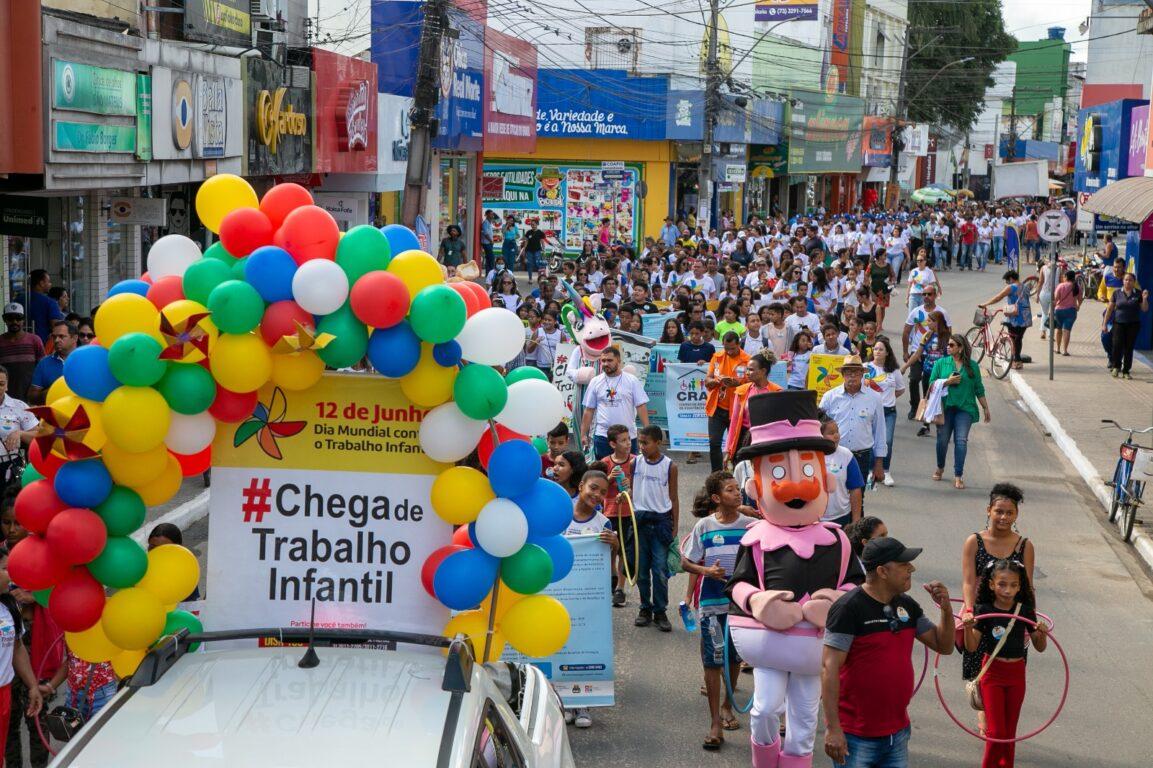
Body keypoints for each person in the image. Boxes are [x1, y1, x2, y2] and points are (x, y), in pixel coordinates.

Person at [821, 538, 955, 768]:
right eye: (904, 564)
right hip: (856, 736)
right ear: (882, 571)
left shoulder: (907, 605)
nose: (911, 568)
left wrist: (946, 609)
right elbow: (828, 668)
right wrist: (833, 729)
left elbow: (943, 645)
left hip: (897, 733)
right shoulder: (848, 608)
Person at [682, 471, 758, 751]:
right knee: (712, 661)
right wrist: (706, 571)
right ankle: (715, 721)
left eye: (738, 489)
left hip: (741, 606)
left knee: (734, 657)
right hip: (712, 605)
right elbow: (686, 563)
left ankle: (728, 705)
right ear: (716, 498)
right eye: (730, 490)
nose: (738, 493)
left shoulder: (752, 526)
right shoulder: (704, 526)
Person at [960, 483, 1034, 734]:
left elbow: (1028, 587)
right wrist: (971, 610)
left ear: (1016, 516)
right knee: (981, 665)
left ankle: (996, 719)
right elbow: (969, 580)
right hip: (984, 614)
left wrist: (1030, 620)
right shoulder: (975, 541)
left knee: (1007, 664)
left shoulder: (1024, 545)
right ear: (988, 510)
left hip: (1013, 617)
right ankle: (986, 714)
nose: (1003, 517)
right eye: (998, 511)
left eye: (1009, 513)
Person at [962, 558, 1047, 768]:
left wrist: (1042, 633)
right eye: (1001, 584)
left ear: (1020, 586)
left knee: (1009, 733)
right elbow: (972, 646)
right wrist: (967, 627)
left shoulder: (1024, 610)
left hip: (1017, 673)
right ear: (991, 584)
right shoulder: (984, 610)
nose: (1007, 590)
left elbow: (1039, 646)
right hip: (993, 672)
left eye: (1013, 585)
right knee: (997, 732)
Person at [563, 470, 619, 729]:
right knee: (560, 645)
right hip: (559, 592)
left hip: (588, 595)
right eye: (593, 488)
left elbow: (610, 562)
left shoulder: (603, 523)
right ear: (581, 485)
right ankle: (563, 701)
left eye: (602, 493)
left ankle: (582, 703)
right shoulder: (560, 516)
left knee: (584, 645)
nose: (596, 495)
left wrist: (614, 546)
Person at [628, 425, 678, 631]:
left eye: (645, 442)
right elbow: (632, 490)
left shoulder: (669, 466)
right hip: (639, 522)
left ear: (659, 442)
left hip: (661, 523)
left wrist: (674, 526)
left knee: (659, 569)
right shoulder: (635, 463)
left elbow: (673, 497)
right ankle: (644, 608)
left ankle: (660, 611)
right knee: (640, 570)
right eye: (640, 442)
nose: (641, 446)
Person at [928, 334, 990, 490]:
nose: (948, 347)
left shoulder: (972, 366)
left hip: (965, 409)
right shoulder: (941, 363)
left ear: (961, 348)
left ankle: (958, 475)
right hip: (945, 408)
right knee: (942, 440)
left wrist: (985, 407)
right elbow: (931, 385)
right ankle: (940, 467)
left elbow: (978, 388)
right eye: (948, 345)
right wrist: (947, 382)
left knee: (961, 440)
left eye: (952, 345)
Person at [819, 355, 887, 487]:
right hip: (834, 454)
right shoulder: (830, 397)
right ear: (843, 374)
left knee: (858, 497)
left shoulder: (875, 398)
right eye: (848, 372)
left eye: (856, 372)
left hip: (861, 457)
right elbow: (818, 426)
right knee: (833, 494)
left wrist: (879, 464)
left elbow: (880, 431)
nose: (852, 376)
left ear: (862, 374)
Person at [580, 347, 649, 460]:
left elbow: (641, 406)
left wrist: (647, 431)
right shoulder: (595, 381)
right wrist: (583, 434)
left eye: (610, 360)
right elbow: (589, 410)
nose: (606, 363)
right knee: (603, 472)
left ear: (618, 360)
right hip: (603, 436)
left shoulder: (632, 380)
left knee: (629, 471)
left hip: (628, 437)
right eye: (603, 361)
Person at [704, 332, 751, 471]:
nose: (729, 351)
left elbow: (751, 385)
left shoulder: (748, 360)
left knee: (736, 446)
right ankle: (716, 475)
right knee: (714, 443)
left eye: (732, 348)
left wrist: (737, 384)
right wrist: (717, 381)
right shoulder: (717, 357)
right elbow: (708, 380)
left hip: (737, 410)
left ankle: (735, 474)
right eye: (726, 348)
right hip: (717, 408)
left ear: (738, 345)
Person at [901, 287, 949, 421]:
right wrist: (905, 352)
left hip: (937, 360)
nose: (926, 296)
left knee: (930, 385)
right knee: (914, 379)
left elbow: (949, 334)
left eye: (929, 294)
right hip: (918, 351)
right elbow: (906, 332)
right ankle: (915, 406)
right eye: (924, 294)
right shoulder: (916, 312)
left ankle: (930, 411)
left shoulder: (942, 313)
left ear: (935, 295)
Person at [724, 352, 782, 462]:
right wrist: (728, 450)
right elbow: (734, 423)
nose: (747, 373)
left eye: (751, 370)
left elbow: (780, 423)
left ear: (763, 371)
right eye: (747, 369)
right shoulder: (741, 391)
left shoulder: (777, 392)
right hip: (744, 440)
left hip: (767, 440)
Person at [867, 338, 906, 486]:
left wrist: (889, 397)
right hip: (870, 411)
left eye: (881, 349)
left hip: (888, 411)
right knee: (871, 441)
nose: (877, 351)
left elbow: (901, 389)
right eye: (875, 349)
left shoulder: (894, 371)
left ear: (887, 353)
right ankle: (871, 471)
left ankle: (886, 471)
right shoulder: (866, 367)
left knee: (887, 441)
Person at [979, 270, 1032, 370]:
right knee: (1019, 338)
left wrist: (986, 304)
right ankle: (1018, 361)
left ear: (1011, 279)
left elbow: (998, 297)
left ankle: (1016, 361)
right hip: (1026, 316)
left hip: (1015, 316)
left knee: (1013, 338)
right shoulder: (1025, 286)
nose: (1007, 283)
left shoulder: (1011, 287)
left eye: (1007, 281)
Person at [818, 416, 864, 529]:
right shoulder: (808, 457)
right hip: (814, 519)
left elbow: (855, 489)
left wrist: (855, 521)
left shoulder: (846, 455)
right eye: (831, 433)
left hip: (841, 517)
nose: (836, 435)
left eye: (837, 431)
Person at [1103, 272, 1150, 379]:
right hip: (1118, 323)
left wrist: (1145, 299)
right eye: (1126, 280)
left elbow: (1144, 309)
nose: (1128, 282)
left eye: (1130, 280)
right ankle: (1116, 367)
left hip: (1133, 325)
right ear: (1123, 281)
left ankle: (1126, 371)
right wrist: (1105, 324)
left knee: (1129, 348)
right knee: (1117, 345)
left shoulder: (1138, 293)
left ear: (1134, 282)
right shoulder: (1116, 293)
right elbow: (1110, 309)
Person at [0, 305, 43, 404]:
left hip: (30, 398)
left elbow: (42, 368)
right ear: (4, 319)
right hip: (5, 399)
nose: (14, 322)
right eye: (10, 318)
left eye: (18, 318)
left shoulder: (35, 340)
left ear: (23, 320)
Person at [27, 320, 77, 405]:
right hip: (53, 415)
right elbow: (32, 397)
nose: (57, 340)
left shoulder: (85, 360)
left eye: (61, 336)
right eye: (54, 337)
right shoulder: (44, 363)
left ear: (74, 338)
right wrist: (52, 391)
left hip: (82, 414)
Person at [24, 270, 64, 343]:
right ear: (41, 283)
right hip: (43, 344)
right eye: (48, 282)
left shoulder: (18, 299)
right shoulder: (50, 302)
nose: (50, 284)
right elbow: (57, 326)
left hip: (21, 344)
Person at [1051, 270, 1081, 357]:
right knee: (1067, 330)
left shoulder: (1061, 286)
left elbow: (1056, 299)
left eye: (1064, 276)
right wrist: (1078, 306)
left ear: (1066, 277)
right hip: (1071, 311)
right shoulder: (1077, 286)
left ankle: (1057, 348)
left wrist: (1051, 309)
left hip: (1059, 310)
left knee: (1059, 330)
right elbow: (1080, 299)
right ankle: (1065, 350)